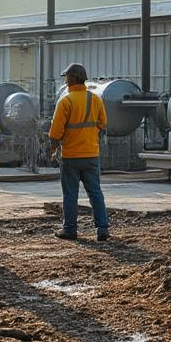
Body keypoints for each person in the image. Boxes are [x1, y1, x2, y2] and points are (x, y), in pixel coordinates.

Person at [48, 63, 110, 241]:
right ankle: (102, 228)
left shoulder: (66, 101)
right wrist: (89, 136)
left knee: (70, 195)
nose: (65, 79)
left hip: (71, 156)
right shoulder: (95, 99)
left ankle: (70, 229)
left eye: (66, 76)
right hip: (91, 154)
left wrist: (53, 148)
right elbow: (102, 123)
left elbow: (56, 131)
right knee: (95, 192)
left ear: (73, 78)